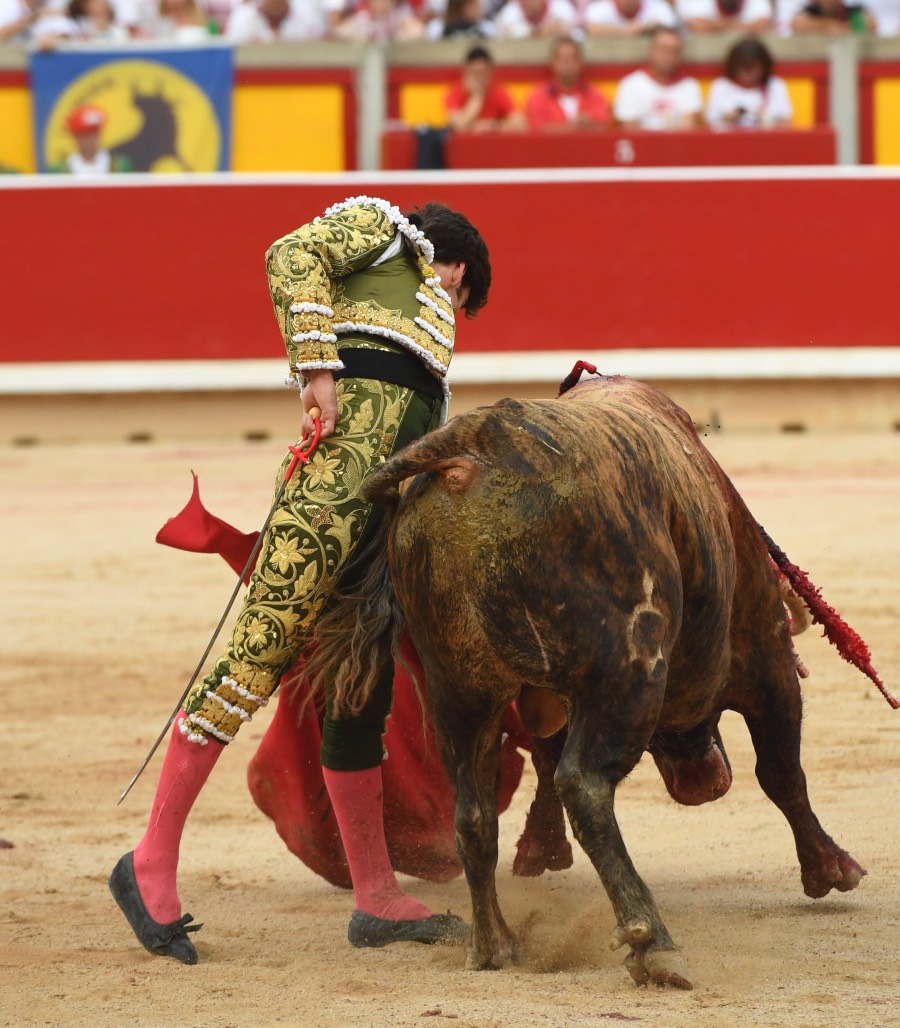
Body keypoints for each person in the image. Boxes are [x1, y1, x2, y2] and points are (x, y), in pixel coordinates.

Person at [109, 195, 492, 963]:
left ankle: (376, 896)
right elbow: (289, 251)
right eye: (460, 293)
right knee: (253, 657)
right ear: (455, 266)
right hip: (326, 495)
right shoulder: (386, 232)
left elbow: (402, 423)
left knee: (360, 689)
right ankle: (148, 860)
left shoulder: (427, 359)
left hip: (382, 520)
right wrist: (316, 368)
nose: (451, 305)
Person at [613, 26, 703, 130]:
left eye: (674, 51)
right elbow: (630, 130)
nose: (668, 55)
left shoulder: (689, 85)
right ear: (651, 50)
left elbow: (687, 130)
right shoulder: (630, 84)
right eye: (663, 49)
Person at [525, 35, 611, 131]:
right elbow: (537, 130)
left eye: (572, 58)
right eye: (562, 59)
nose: (567, 63)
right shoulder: (538, 96)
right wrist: (577, 126)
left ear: (580, 62)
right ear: (552, 62)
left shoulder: (595, 95)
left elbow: (603, 127)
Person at [706, 37, 793, 129]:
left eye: (753, 67)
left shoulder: (775, 85)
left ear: (764, 66)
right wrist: (728, 119)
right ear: (733, 66)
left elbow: (786, 125)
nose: (748, 72)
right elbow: (710, 125)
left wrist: (767, 120)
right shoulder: (721, 85)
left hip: (766, 141)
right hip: (728, 142)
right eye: (744, 66)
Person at [445, 45, 527, 132]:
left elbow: (521, 124)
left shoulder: (498, 91)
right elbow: (458, 126)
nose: (480, 79)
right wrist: (476, 98)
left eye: (483, 73)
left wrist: (493, 126)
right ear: (465, 71)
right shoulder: (454, 93)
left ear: (491, 71)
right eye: (475, 73)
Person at [48, 105, 133, 174]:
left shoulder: (119, 166)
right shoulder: (61, 170)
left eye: (94, 135)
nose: (90, 141)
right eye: (85, 136)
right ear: (76, 138)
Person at [583, 0, 677, 37]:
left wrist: (644, 28)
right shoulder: (599, 8)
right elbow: (590, 29)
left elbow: (670, 30)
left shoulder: (658, 6)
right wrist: (626, 31)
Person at [492, 0, 579, 39]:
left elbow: (572, 27)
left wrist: (559, 26)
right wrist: (538, 33)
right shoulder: (511, 11)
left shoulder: (560, 5)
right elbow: (502, 35)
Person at [675, 0, 773, 34]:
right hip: (706, 57)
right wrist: (742, 26)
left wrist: (715, 26)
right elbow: (696, 26)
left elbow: (762, 25)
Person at [790, 0, 876, 32]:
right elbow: (797, 24)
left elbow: (871, 24)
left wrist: (842, 27)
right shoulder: (811, 10)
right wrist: (829, 25)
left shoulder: (853, 10)